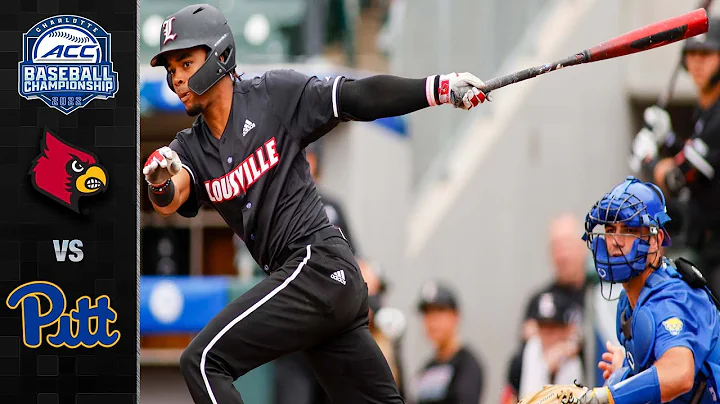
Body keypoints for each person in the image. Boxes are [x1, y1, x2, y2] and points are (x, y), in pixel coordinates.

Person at [141, 4, 489, 403]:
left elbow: (356, 96)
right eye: (170, 69)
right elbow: (171, 196)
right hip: (314, 290)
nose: (178, 77)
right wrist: (159, 178)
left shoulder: (273, 95)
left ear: (221, 55)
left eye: (186, 61)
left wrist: (438, 88)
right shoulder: (190, 146)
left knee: (202, 361)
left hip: (316, 265)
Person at [571, 176, 720, 404]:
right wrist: (625, 369)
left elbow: (680, 374)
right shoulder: (629, 301)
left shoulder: (669, 298)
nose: (615, 241)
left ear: (655, 240)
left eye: (629, 230)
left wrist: (604, 397)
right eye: (611, 229)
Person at [631, 18, 720, 295]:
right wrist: (667, 139)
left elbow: (677, 179)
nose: (697, 62)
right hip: (706, 247)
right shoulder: (705, 112)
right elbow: (695, 158)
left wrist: (649, 159)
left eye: (706, 54)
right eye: (692, 54)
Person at [503, 290, 584, 404]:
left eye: (553, 327)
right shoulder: (524, 357)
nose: (546, 334)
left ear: (566, 330)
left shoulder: (573, 357)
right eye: (542, 327)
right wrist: (546, 366)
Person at [414, 280, 485, 404]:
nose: (433, 321)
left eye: (439, 311)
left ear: (456, 316)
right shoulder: (427, 367)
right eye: (427, 313)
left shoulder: (467, 364)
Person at [521, 213, 588, 341]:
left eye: (567, 245)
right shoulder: (539, 301)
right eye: (556, 247)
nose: (563, 255)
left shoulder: (603, 294)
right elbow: (522, 355)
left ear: (583, 247)